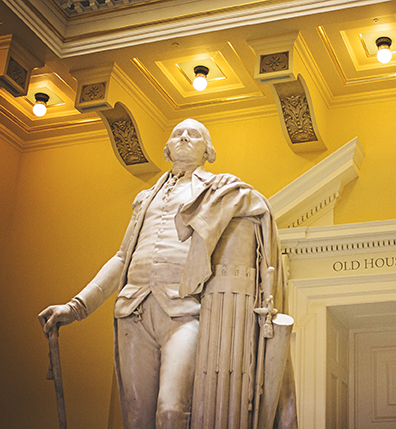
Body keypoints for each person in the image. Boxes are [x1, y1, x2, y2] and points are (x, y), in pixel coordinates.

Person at [39, 119, 244, 428]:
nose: (184, 137)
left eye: (194, 134)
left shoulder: (219, 190)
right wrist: (76, 307)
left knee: (172, 413)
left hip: (184, 310)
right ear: (167, 148)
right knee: (136, 419)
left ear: (208, 150)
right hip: (133, 310)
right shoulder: (145, 198)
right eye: (177, 133)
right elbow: (123, 258)